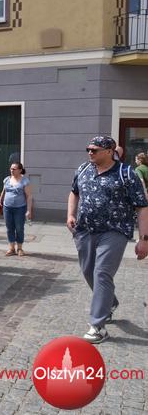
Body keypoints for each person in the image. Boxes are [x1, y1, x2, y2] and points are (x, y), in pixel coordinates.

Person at [67, 136, 148, 343]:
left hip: (115, 231)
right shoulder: (84, 169)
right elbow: (74, 193)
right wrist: (70, 215)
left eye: (95, 150)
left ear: (110, 151)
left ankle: (97, 326)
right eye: (88, 149)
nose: (90, 152)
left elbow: (142, 207)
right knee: (88, 271)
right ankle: (109, 302)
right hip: (85, 230)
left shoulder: (126, 173)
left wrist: (144, 239)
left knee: (102, 272)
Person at [0, 162, 33, 256]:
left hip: (20, 208)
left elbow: (29, 196)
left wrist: (29, 210)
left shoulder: (25, 181)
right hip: (7, 208)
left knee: (19, 228)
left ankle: (19, 248)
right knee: (9, 228)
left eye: (14, 169)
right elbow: (3, 192)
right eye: (11, 168)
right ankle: (11, 248)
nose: (11, 170)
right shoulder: (7, 179)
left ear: (20, 170)